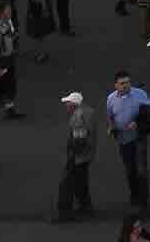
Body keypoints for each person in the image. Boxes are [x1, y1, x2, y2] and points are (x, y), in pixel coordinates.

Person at [106, 70, 150, 214]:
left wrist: (139, 122)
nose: (126, 86)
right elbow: (110, 116)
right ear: (116, 85)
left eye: (128, 82)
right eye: (122, 83)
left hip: (138, 138)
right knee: (130, 170)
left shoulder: (139, 94)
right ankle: (134, 197)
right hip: (123, 140)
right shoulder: (110, 99)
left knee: (141, 170)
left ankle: (144, 203)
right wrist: (111, 127)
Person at [56, 88, 98, 221]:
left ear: (74, 105)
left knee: (67, 183)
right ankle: (86, 207)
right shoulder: (88, 112)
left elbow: (79, 140)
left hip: (78, 156)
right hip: (87, 155)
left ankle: (64, 212)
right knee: (81, 182)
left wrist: (72, 157)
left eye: (67, 103)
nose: (66, 106)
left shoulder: (77, 118)